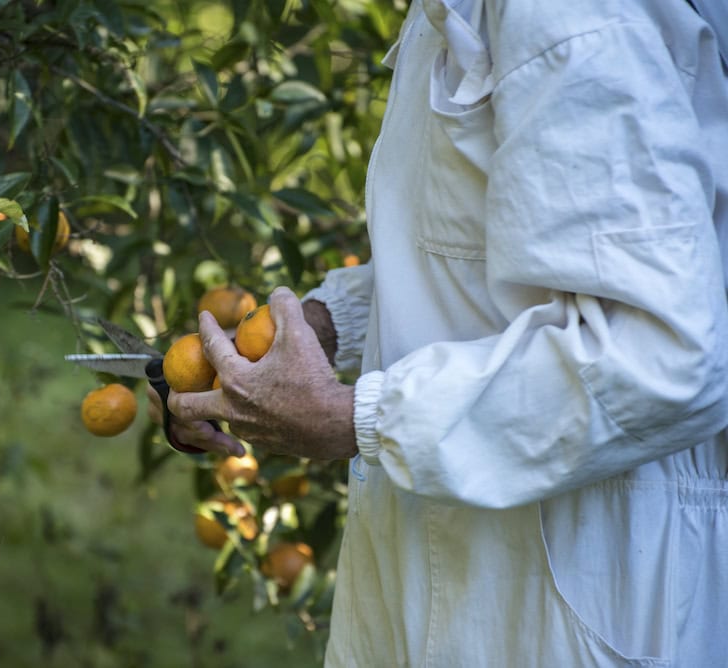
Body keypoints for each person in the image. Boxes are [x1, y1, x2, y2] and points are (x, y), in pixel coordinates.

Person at [156, 0, 728, 664]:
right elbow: (497, 242)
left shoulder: (568, 14)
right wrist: (318, 327)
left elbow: (664, 355)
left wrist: (351, 418)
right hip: (447, 553)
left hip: (574, 573)